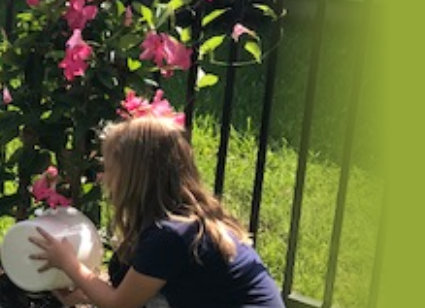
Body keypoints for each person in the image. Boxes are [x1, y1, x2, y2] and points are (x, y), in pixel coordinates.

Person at [28, 116, 285, 308]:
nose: (102, 177)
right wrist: (85, 290)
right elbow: (144, 287)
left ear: (133, 177)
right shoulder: (185, 224)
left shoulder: (170, 236)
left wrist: (69, 263)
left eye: (108, 168)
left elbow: (120, 305)